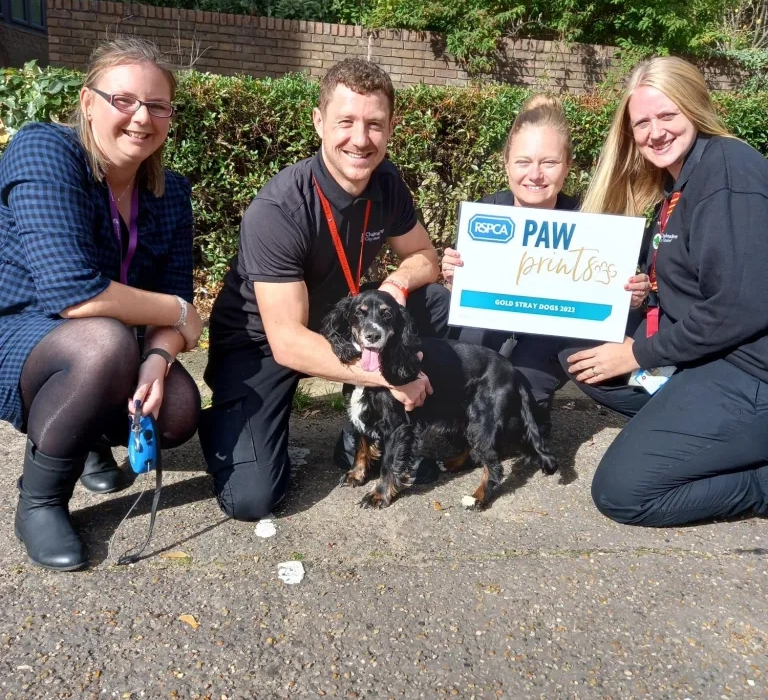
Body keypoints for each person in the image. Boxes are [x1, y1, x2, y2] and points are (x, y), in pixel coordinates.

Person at [201, 58, 449, 522]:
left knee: (436, 304)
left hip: (342, 320)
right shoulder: (278, 209)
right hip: (263, 343)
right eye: (346, 122)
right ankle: (226, 421)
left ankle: (374, 428)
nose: (360, 139)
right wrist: (393, 376)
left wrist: (396, 282)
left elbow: (425, 260)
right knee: (251, 500)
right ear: (318, 123)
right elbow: (289, 342)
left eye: (375, 124)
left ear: (391, 127)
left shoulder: (387, 184)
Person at [0, 38, 203, 571]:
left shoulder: (170, 192)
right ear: (88, 102)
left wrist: (159, 360)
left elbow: (176, 291)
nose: (142, 117)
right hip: (25, 328)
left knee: (179, 407)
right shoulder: (44, 150)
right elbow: (73, 294)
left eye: (157, 106)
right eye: (124, 100)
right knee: (104, 342)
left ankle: (87, 437)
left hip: (112, 335)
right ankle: (40, 500)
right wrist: (179, 317)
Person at [562, 56, 768, 527]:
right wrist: (646, 294)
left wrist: (639, 354)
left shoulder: (729, 173)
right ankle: (685, 425)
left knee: (621, 492)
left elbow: (740, 306)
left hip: (752, 371)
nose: (655, 131)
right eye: (643, 122)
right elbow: (693, 281)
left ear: (695, 109)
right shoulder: (679, 180)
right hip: (712, 357)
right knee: (579, 343)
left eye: (668, 115)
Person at [441, 95, 650, 437]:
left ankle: (536, 405)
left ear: (567, 166)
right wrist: (452, 276)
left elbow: (612, 303)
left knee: (515, 424)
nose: (535, 175)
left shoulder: (591, 223)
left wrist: (631, 296)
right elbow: (466, 295)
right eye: (523, 161)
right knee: (461, 422)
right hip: (492, 327)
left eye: (549, 162)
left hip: (547, 336)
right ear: (506, 163)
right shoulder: (485, 213)